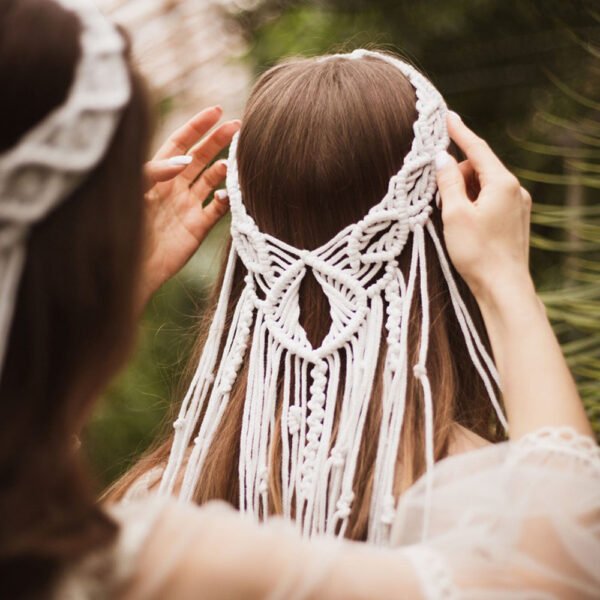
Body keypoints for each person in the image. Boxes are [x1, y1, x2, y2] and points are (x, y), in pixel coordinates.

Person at [0, 1, 597, 599]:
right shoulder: (494, 512)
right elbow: (561, 574)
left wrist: (96, 293)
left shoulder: (140, 508)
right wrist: (504, 281)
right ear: (438, 235)